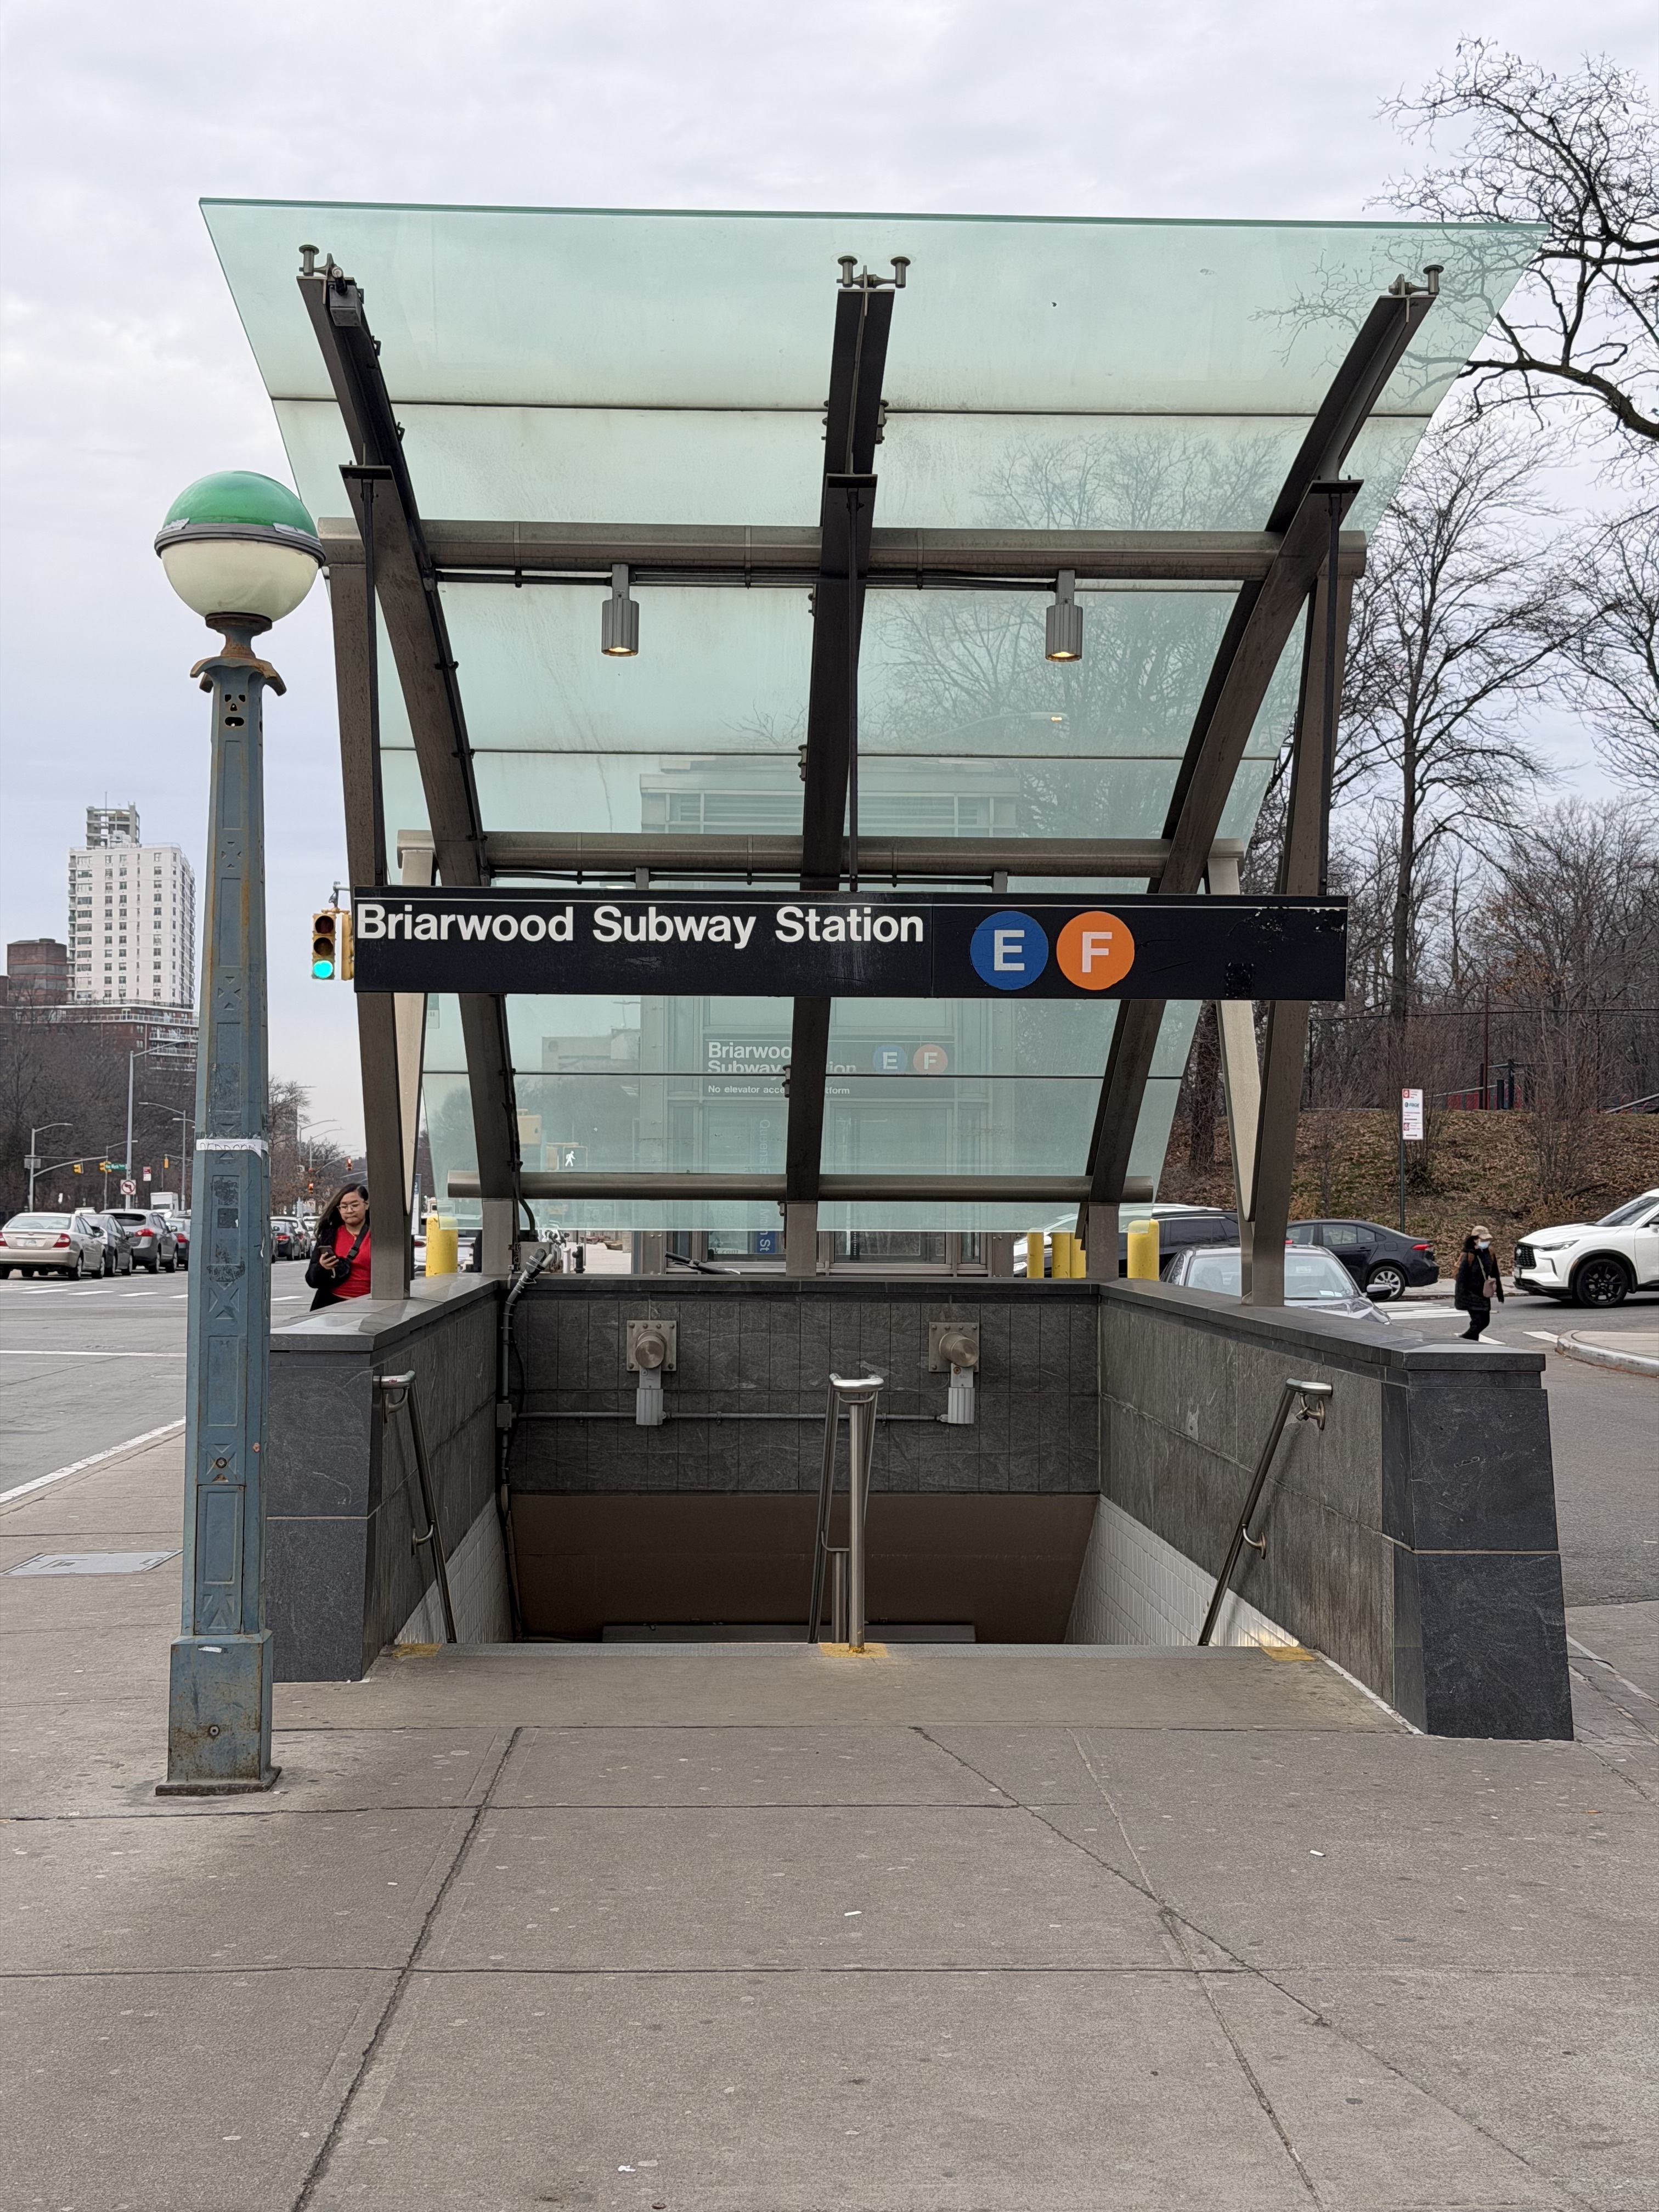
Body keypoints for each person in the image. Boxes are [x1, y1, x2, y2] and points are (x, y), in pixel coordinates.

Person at [306, 1182, 371, 1310]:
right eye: (344, 1207)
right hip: (332, 1307)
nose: (349, 1211)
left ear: (366, 1205)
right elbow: (312, 1280)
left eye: (355, 1205)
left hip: (369, 1306)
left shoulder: (381, 1236)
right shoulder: (328, 1235)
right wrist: (322, 1267)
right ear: (339, 1210)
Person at [1454, 1227, 1504, 1341]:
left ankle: (1471, 1343)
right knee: (1478, 1322)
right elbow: (1461, 1279)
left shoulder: (1489, 1252)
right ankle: (1466, 1339)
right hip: (1470, 1295)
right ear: (1475, 1240)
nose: (1486, 1242)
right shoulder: (1468, 1256)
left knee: (1485, 1321)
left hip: (1484, 1293)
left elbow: (1495, 1272)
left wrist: (1500, 1292)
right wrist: (1461, 1300)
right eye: (1483, 1240)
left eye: (1487, 1240)